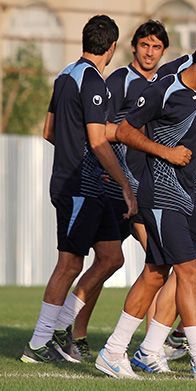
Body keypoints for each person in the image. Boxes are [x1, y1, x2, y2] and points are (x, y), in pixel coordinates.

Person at [95, 36, 196, 381]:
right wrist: (164, 152)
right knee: (189, 271)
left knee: (155, 273)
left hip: (187, 196)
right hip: (159, 195)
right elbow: (124, 130)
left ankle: (114, 351)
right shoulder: (164, 89)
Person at [20, 14, 137, 364]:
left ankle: (59, 326)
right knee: (70, 263)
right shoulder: (93, 82)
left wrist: (76, 153)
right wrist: (125, 185)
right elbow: (99, 142)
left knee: (112, 257)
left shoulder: (65, 75)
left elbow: (49, 131)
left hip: (88, 185)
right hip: (79, 188)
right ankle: (39, 343)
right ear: (113, 47)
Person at [70, 19, 169, 361]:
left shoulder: (166, 84)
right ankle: (76, 334)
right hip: (117, 186)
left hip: (148, 188)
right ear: (133, 47)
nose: (150, 52)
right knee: (111, 262)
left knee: (156, 262)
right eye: (145, 45)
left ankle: (152, 344)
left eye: (156, 47)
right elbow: (103, 131)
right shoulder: (118, 80)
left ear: (163, 51)